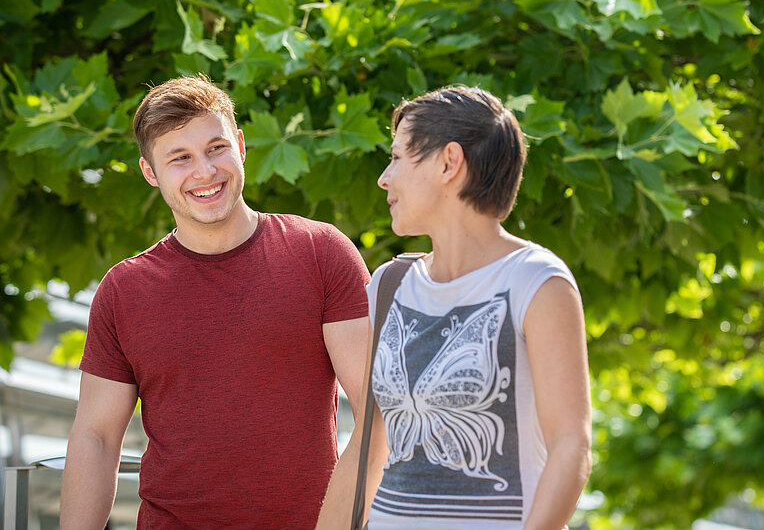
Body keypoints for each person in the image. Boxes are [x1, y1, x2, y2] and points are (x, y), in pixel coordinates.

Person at [60, 75, 371, 528]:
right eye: (179, 158)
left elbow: (376, 410)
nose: (204, 171)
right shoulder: (123, 290)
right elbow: (96, 438)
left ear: (241, 145)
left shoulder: (320, 252)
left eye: (216, 148)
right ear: (150, 172)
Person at [318, 86, 592, 529]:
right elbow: (367, 449)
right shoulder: (390, 285)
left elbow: (571, 446)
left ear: (449, 162)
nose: (383, 178)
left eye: (397, 158)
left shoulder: (538, 282)